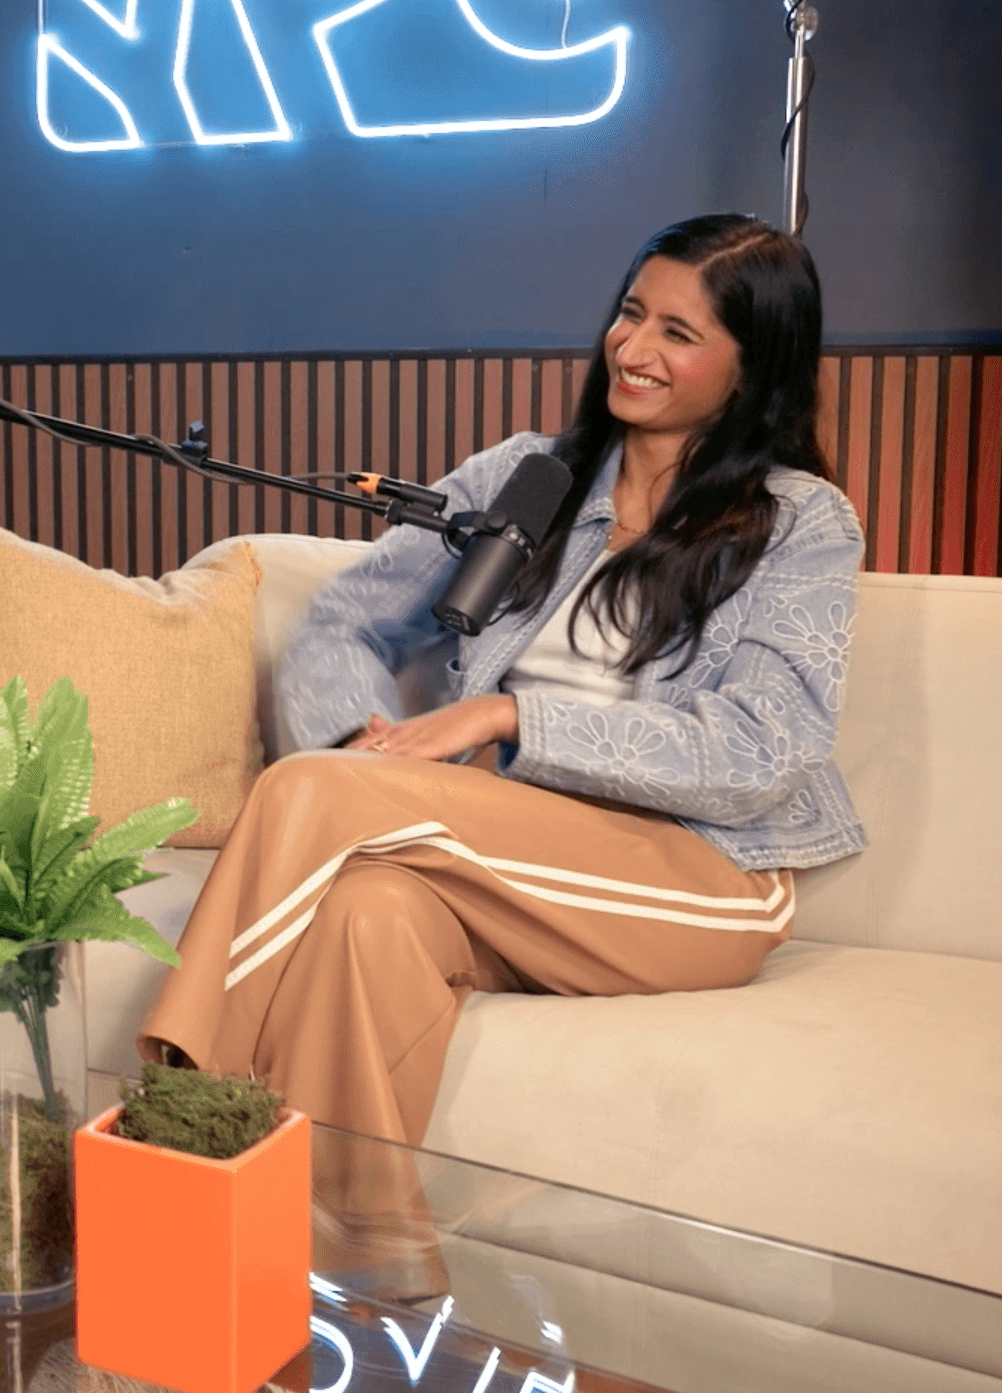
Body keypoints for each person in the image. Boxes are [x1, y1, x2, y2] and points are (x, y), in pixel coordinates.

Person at [139, 213, 864, 1270]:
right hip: (499, 851)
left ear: (752, 373)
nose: (633, 348)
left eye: (678, 332)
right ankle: (361, 1272)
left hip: (697, 875)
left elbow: (764, 748)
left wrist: (508, 717)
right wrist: (363, 744)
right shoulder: (530, 480)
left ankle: (175, 1128)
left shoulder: (798, 521)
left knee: (308, 795)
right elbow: (343, 621)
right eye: (629, 313)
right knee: (364, 912)